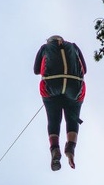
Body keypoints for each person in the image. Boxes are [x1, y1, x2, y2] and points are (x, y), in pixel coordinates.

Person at [33, 35, 87, 170]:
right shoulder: (74, 46)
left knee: (53, 119)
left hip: (51, 85)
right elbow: (84, 70)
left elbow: (36, 70)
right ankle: (71, 147)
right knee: (72, 118)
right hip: (75, 86)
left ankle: (54, 148)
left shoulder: (45, 47)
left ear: (49, 41)